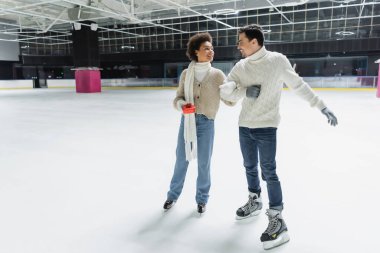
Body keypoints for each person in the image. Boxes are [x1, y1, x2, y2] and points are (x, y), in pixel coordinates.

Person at [220, 24, 338, 250]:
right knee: (249, 166)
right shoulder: (240, 66)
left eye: (241, 41)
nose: (239, 46)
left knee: (269, 172)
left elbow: (298, 85)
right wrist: (243, 90)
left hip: (266, 127)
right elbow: (225, 90)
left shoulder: (277, 61)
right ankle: (254, 201)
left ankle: (277, 219)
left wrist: (321, 106)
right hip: (244, 125)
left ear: (254, 42)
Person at [164, 32, 233, 214]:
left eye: (212, 48)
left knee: (204, 163)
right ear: (196, 52)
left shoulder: (217, 75)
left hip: (207, 123)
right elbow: (177, 98)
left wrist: (236, 90)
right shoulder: (187, 74)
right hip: (187, 122)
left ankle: (202, 199)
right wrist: (181, 105)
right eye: (206, 48)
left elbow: (230, 100)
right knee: (181, 160)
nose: (211, 51)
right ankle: (172, 195)